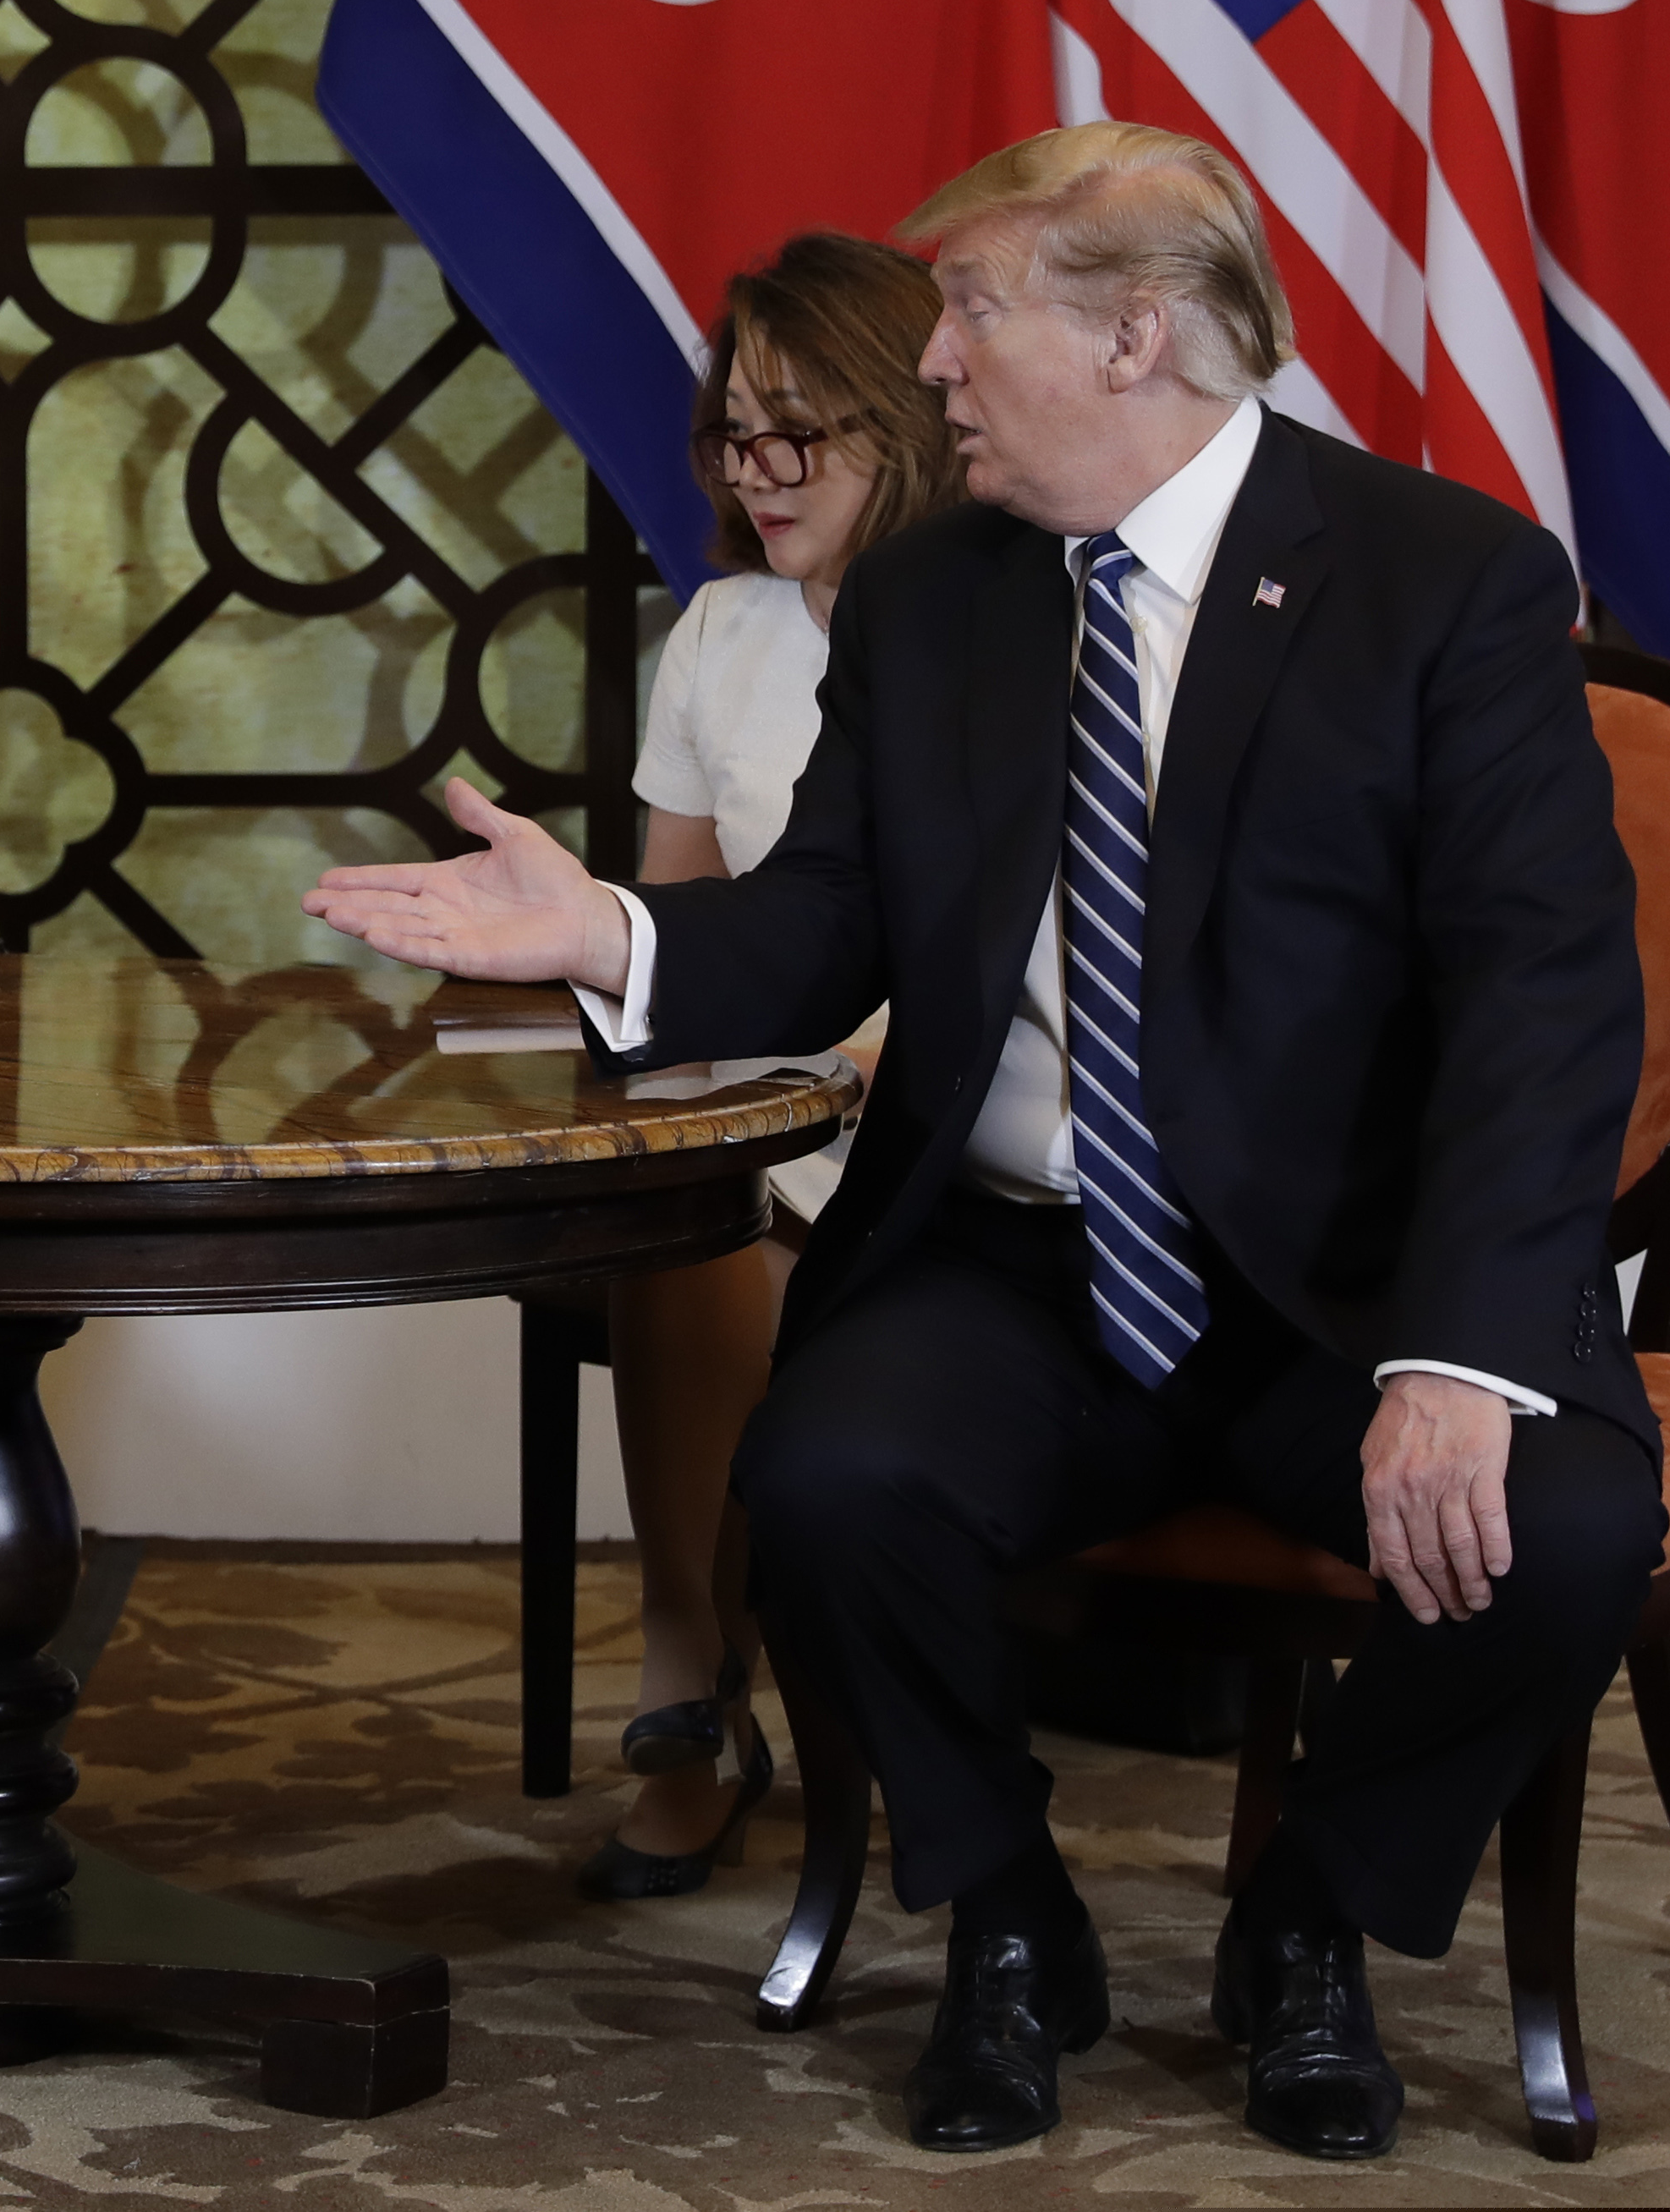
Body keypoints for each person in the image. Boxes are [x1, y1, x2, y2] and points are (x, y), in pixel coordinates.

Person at [305, 123, 1662, 2162]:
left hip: (1354, 1279)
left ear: (1138, 335)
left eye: (970, 307)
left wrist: (1461, 1359)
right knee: (827, 1478)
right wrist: (610, 934)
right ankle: (1013, 1919)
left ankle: (1311, 1920)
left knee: (1562, 1534)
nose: (931, 359)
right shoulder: (936, 595)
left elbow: (1543, 1004)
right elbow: (826, 916)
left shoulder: (1443, 578)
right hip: (1025, 1262)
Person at [584, 231, 961, 1902]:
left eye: (801, 431)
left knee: (717, 1214)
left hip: (951, 1098)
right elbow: (683, 928)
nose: (758, 470)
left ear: (910, 418)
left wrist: (869, 1050)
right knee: (680, 1197)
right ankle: (693, 1670)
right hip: (768, 1087)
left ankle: (712, 1688)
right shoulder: (723, 631)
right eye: (737, 434)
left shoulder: (1013, 620)